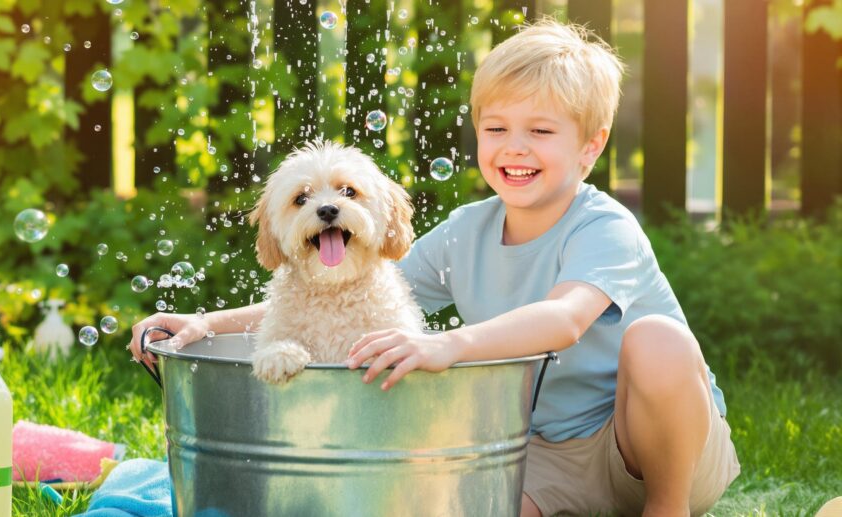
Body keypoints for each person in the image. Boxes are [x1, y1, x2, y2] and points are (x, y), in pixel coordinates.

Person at [129, 18, 740, 516]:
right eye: (496, 127)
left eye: (541, 130)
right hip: (543, 454)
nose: (515, 146)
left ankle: (666, 509)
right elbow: (330, 293)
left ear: (591, 145)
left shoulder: (604, 227)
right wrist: (205, 323)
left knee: (656, 340)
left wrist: (451, 345)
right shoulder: (466, 232)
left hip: (644, 443)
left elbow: (564, 319)